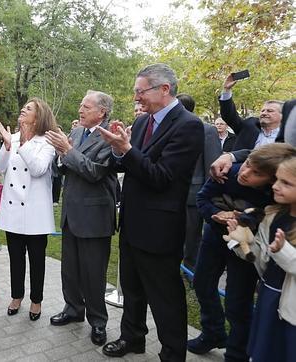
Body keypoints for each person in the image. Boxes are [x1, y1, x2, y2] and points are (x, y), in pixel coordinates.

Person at [98, 63, 204, 361]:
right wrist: (119, 150)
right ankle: (132, 338)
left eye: (140, 91)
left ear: (164, 89)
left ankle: (172, 353)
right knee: (131, 289)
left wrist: (128, 151)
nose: (136, 98)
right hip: (132, 222)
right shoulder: (144, 123)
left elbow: (162, 177)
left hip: (160, 228)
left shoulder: (189, 125)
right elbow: (127, 167)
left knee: (165, 297)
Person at [191, 143, 295, 360]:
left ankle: (236, 353)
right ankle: (213, 333)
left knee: (238, 302)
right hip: (215, 237)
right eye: (247, 165)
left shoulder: (275, 197)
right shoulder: (227, 171)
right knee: (202, 283)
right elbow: (202, 198)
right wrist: (217, 214)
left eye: (257, 173)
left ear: (272, 180)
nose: (245, 173)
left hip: (248, 248)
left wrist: (246, 227)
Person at [45, 90, 118, 346]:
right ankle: (73, 309)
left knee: (93, 273)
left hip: (95, 215)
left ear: (102, 112)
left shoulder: (111, 135)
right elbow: (64, 169)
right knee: (70, 269)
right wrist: (59, 154)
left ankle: (98, 322)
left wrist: (67, 151)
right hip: (71, 212)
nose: (80, 110)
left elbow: (95, 172)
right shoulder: (76, 132)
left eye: (86, 106)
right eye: (80, 105)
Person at [226, 154, 296, 361]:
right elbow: (261, 260)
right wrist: (241, 243)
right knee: (262, 350)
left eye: (286, 183)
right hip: (268, 295)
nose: (275, 186)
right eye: (276, 180)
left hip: (290, 307)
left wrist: (282, 249)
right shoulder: (271, 215)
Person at [0, 98, 56, 321]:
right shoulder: (13, 138)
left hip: (35, 213)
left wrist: (24, 143)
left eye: (29, 108)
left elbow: (39, 169)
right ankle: (16, 296)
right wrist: (7, 145)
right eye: (24, 107)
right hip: (13, 211)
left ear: (38, 117)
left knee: (37, 260)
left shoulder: (47, 141)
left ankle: (36, 301)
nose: (23, 109)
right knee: (15, 258)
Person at [176, 93, 221, 269]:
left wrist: (207, 195)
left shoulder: (207, 129)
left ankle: (191, 268)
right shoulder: (169, 127)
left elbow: (212, 164)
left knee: (192, 236)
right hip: (170, 191)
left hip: (193, 194)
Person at [219, 73, 283, 151]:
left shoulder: (289, 135)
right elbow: (229, 115)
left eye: (270, 111)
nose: (264, 113)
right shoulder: (250, 126)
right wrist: (226, 90)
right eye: (262, 110)